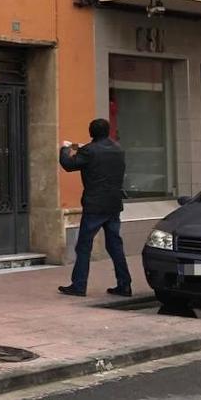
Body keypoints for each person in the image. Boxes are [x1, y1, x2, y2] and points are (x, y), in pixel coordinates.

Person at [59, 118, 132, 297]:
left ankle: (79, 285)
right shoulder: (118, 149)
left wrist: (64, 148)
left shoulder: (89, 151)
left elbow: (68, 165)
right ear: (108, 131)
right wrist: (85, 148)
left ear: (91, 132)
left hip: (94, 205)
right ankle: (125, 285)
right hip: (114, 204)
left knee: (84, 246)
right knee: (115, 245)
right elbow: (99, 155)